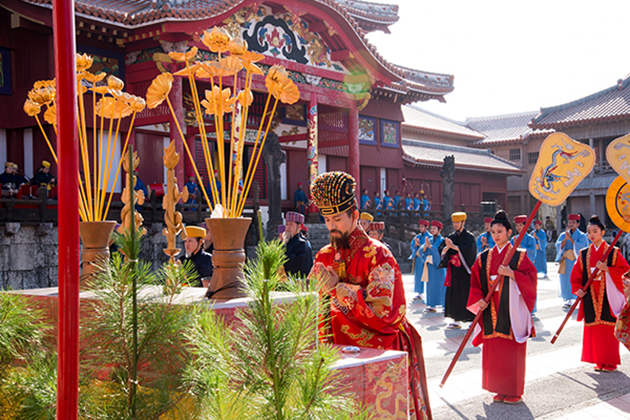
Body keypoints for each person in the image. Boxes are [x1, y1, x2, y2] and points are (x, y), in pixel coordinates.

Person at [309, 171, 432, 420]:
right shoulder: (323, 255)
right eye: (326, 220)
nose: (331, 226)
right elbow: (312, 303)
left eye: (337, 219)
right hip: (333, 350)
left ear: (354, 215)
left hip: (376, 352)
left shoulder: (379, 255)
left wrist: (337, 289)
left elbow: (385, 313)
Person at [467, 210, 537, 405]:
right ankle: (498, 387)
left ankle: (513, 390)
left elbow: (531, 278)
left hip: (511, 309)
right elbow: (474, 284)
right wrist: (479, 299)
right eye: (493, 232)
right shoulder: (483, 257)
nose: (496, 235)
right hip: (491, 308)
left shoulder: (518, 256)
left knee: (511, 350)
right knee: (495, 350)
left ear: (508, 233)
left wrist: (512, 274)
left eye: (500, 231)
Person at [570, 215, 629, 372]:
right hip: (590, 294)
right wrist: (579, 289)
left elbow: (625, 271)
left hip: (608, 294)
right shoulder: (583, 254)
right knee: (594, 327)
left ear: (602, 232)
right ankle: (598, 360)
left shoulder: (613, 252)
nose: (591, 235)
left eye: (595, 231)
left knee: (607, 326)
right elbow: (576, 276)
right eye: (589, 232)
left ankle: (609, 362)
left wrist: (608, 270)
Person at [439, 212, 477, 329]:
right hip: (454, 271)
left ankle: (472, 319)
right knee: (454, 294)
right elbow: (442, 250)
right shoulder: (451, 237)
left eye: (457, 222)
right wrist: (446, 249)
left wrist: (455, 247)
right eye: (454, 222)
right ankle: (456, 319)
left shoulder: (469, 237)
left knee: (467, 294)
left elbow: (470, 252)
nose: (455, 224)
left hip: (465, 272)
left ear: (463, 223)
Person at [556, 214, 589, 308]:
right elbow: (558, 246)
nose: (571, 224)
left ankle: (577, 298)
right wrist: (565, 240)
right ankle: (568, 299)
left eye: (573, 222)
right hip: (566, 260)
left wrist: (571, 239)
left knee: (577, 278)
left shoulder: (582, 236)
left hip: (576, 260)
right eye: (569, 222)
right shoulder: (563, 234)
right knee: (566, 279)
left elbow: (583, 247)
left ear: (578, 224)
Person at [423, 220, 447, 312]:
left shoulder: (443, 240)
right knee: (430, 286)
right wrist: (425, 247)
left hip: (439, 267)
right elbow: (423, 251)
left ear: (439, 230)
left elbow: (442, 253)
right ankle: (431, 305)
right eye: (431, 228)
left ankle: (444, 305)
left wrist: (430, 247)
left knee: (441, 285)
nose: (432, 230)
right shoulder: (430, 240)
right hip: (430, 266)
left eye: (434, 228)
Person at [282, 211, 313, 278]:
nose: (288, 227)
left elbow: (297, 264)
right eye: (287, 224)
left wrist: (280, 259)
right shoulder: (286, 242)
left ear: (299, 226)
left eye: (291, 224)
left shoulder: (302, 243)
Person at [410, 219, 430, 301]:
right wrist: (415, 245)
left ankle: (425, 292)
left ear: (426, 227)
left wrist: (419, 245)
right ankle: (419, 292)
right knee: (418, 275)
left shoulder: (429, 237)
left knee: (425, 275)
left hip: (425, 258)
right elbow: (412, 245)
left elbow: (427, 247)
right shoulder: (417, 236)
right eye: (420, 227)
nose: (421, 228)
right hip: (418, 258)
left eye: (422, 227)